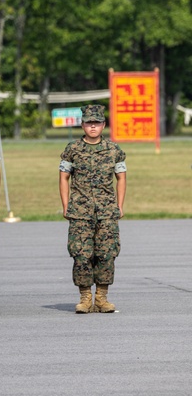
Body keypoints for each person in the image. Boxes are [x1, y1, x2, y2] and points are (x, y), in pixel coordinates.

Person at [59, 104, 126, 313]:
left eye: (97, 123)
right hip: (80, 211)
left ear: (104, 125)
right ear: (82, 125)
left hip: (106, 211)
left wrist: (119, 205)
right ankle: (85, 297)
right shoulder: (72, 149)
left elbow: (121, 178)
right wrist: (66, 205)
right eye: (89, 123)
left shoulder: (114, 150)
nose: (93, 126)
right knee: (81, 254)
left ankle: (102, 298)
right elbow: (63, 178)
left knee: (107, 254)